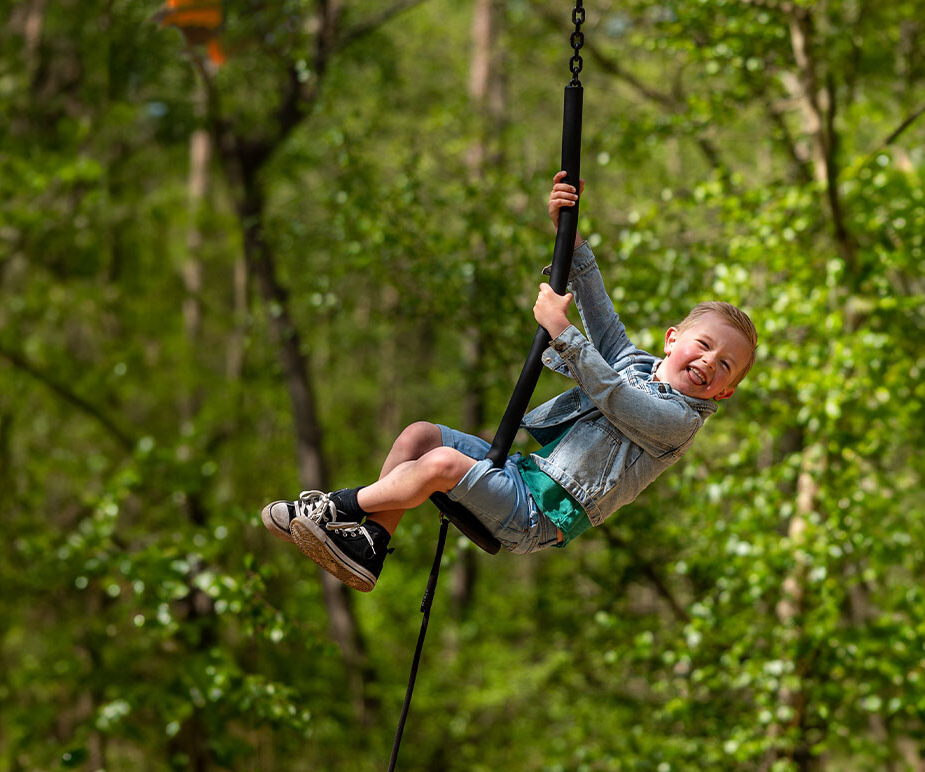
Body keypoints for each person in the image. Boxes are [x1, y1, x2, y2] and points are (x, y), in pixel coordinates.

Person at [261, 171, 758, 592]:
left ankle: (337, 506)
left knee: (441, 464)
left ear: (725, 391)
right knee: (419, 436)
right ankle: (370, 545)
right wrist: (572, 236)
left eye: (726, 366)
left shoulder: (677, 423)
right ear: (673, 339)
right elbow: (599, 309)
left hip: (541, 515)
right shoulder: (632, 363)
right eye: (705, 345)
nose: (711, 362)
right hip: (520, 475)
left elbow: (614, 396)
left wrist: (561, 333)